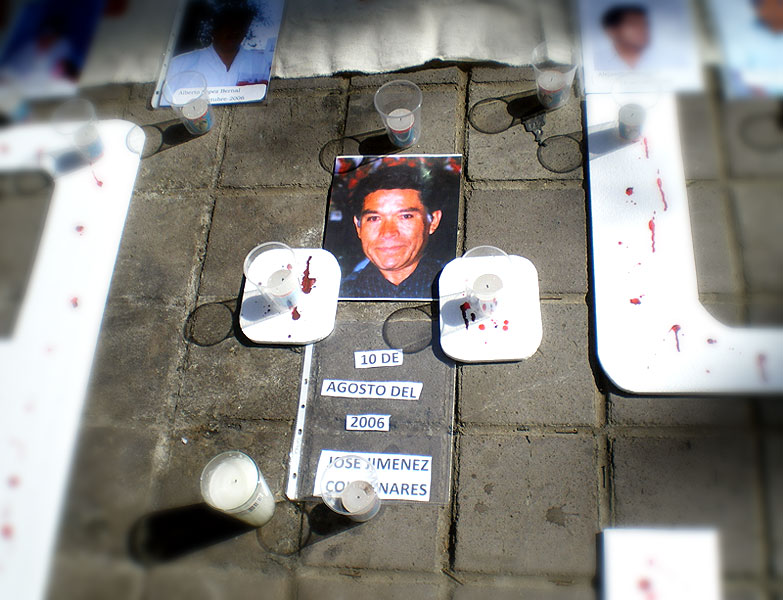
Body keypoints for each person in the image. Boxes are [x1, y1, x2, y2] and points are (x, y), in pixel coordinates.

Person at [340, 164, 445, 299]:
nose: (388, 232)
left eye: (405, 216)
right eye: (374, 218)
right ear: (358, 227)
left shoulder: (453, 287)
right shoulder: (340, 293)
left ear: (433, 221)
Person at [166, 1, 270, 88]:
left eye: (240, 25)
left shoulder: (259, 63)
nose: (234, 31)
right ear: (213, 28)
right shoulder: (179, 65)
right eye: (228, 24)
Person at [600, 4, 651, 69]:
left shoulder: (661, 58)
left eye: (644, 24)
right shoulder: (597, 62)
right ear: (613, 31)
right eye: (634, 24)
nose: (643, 29)